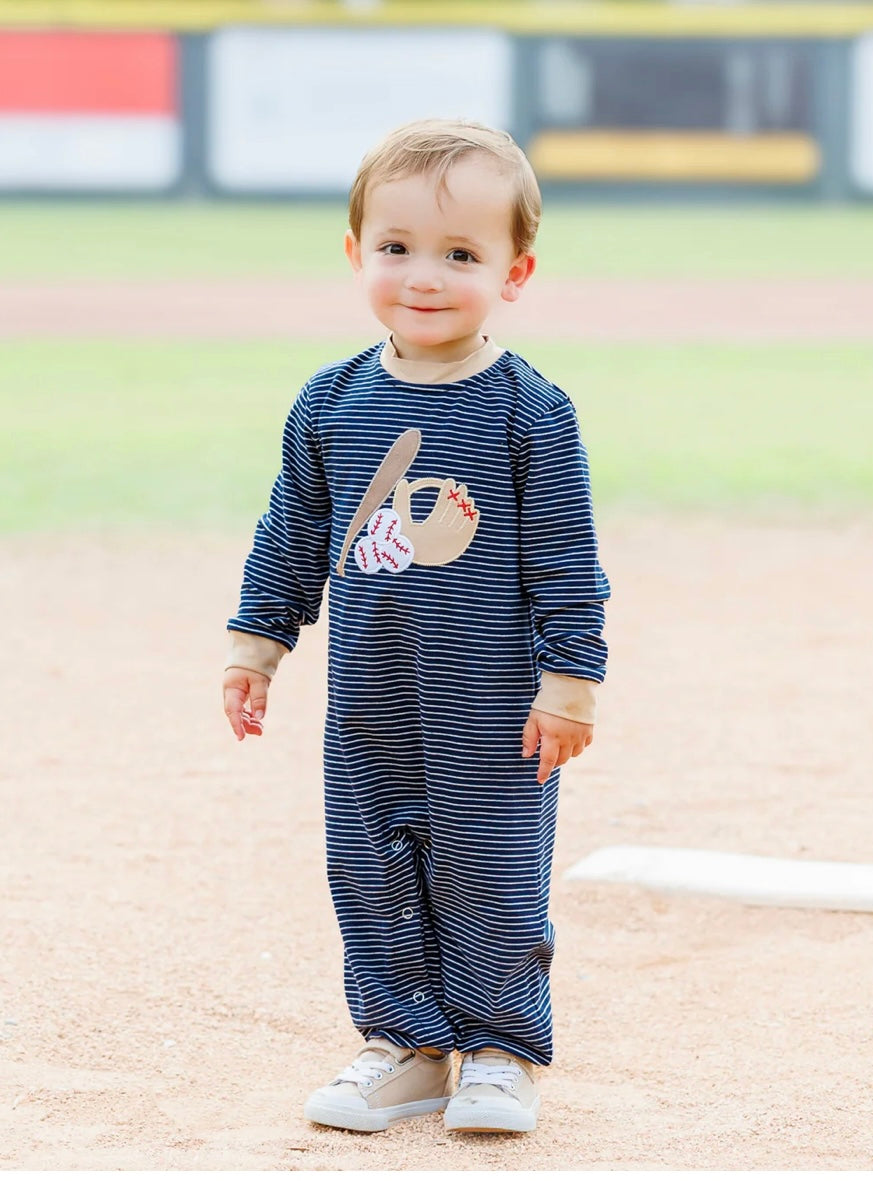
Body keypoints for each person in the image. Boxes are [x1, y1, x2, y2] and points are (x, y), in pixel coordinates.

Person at [223, 118, 610, 1136]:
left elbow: (567, 558)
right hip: (371, 693)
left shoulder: (530, 410)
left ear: (513, 273)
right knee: (370, 862)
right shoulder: (332, 401)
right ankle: (407, 1043)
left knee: (487, 865)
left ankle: (498, 1047)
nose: (424, 276)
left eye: (461, 254)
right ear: (356, 253)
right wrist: (256, 644)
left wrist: (570, 678)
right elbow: (292, 532)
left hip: (492, 702)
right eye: (395, 248)